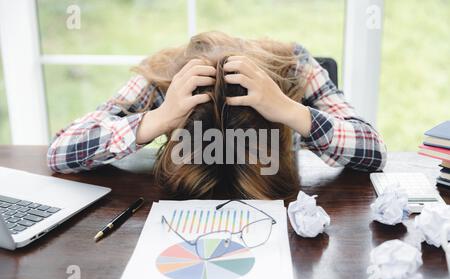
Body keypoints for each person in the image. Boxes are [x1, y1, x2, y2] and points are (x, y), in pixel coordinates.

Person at [47, 31, 387, 200]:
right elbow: (61, 151)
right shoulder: (167, 77)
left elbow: (374, 150)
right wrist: (159, 117)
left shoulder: (295, 67)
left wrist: (287, 109)